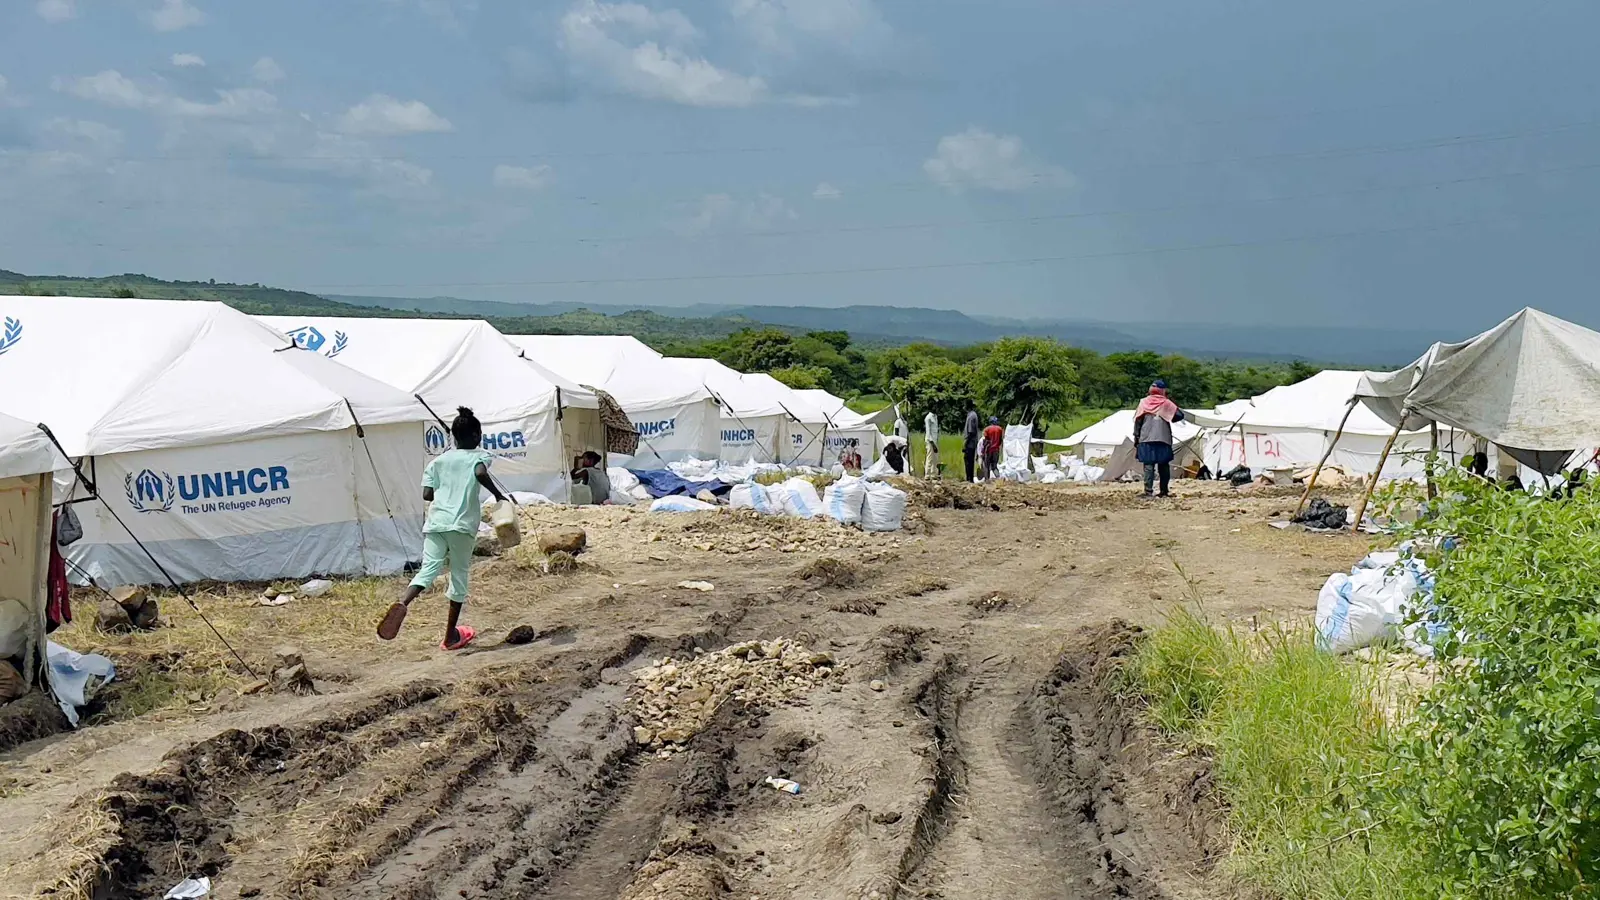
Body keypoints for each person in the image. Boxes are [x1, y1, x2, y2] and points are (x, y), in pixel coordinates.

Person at [378, 406, 506, 650]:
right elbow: (479, 472)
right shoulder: (480, 456)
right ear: (478, 435)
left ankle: (404, 602)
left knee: (428, 570)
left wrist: (447, 488)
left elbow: (427, 494)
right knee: (458, 577)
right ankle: (450, 637)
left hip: (436, 523)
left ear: (454, 438)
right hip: (461, 525)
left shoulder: (438, 462)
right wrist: (500, 496)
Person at [1133, 380, 1185, 498]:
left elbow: (1138, 421)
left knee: (1148, 466)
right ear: (1163, 390)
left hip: (1146, 437)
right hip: (1163, 437)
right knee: (1164, 465)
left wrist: (1136, 437)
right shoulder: (1166, 403)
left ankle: (1148, 492)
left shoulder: (1143, 402)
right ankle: (1164, 491)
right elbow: (1180, 415)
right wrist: (1168, 415)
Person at [962, 407, 981, 482]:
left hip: (970, 443)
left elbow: (970, 432)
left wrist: (965, 443)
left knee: (968, 460)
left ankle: (969, 478)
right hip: (973, 442)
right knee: (970, 461)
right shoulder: (974, 415)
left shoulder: (970, 417)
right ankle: (970, 478)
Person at [923, 410, 940, 479]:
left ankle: (934, 474)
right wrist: (932, 444)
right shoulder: (928, 418)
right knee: (930, 458)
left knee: (935, 458)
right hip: (930, 441)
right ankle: (927, 474)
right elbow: (928, 432)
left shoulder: (935, 417)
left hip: (935, 440)